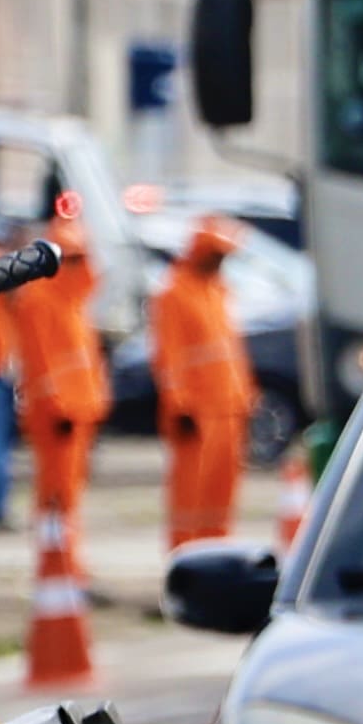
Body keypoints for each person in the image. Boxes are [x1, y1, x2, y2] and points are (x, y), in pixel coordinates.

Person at [12, 190, 114, 549]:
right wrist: (57, 407)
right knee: (55, 490)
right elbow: (39, 360)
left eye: (80, 258)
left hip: (79, 409)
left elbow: (84, 359)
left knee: (70, 491)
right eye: (69, 259)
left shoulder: (76, 303)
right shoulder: (38, 301)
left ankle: (67, 561)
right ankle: (55, 560)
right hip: (56, 415)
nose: (76, 266)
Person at [151, 216, 256, 553]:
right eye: (216, 254)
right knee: (190, 496)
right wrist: (179, 405)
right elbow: (169, 356)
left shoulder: (218, 291)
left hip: (228, 407)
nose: (220, 261)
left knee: (221, 492)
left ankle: (218, 557)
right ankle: (184, 559)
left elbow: (229, 350)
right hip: (197, 414)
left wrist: (245, 396)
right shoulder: (173, 294)